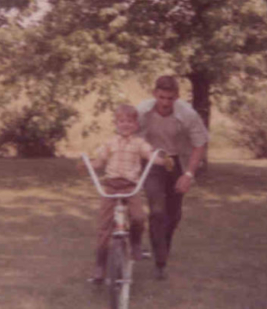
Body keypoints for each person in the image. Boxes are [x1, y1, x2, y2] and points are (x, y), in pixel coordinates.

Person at [85, 104, 172, 283]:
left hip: (130, 187)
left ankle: (135, 243)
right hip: (111, 186)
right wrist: (87, 164)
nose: (125, 124)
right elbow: (99, 161)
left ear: (136, 125)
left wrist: (163, 162)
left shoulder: (139, 143)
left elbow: (150, 155)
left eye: (130, 121)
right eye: (122, 121)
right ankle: (100, 266)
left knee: (138, 218)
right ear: (116, 123)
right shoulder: (109, 143)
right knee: (104, 228)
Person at [137, 75, 209, 280]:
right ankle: (160, 262)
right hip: (152, 160)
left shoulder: (188, 114)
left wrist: (188, 174)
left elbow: (199, 144)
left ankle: (161, 249)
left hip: (178, 161)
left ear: (176, 97)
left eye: (170, 98)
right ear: (154, 94)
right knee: (157, 211)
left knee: (174, 215)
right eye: (162, 97)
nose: (166, 103)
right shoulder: (142, 111)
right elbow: (130, 136)